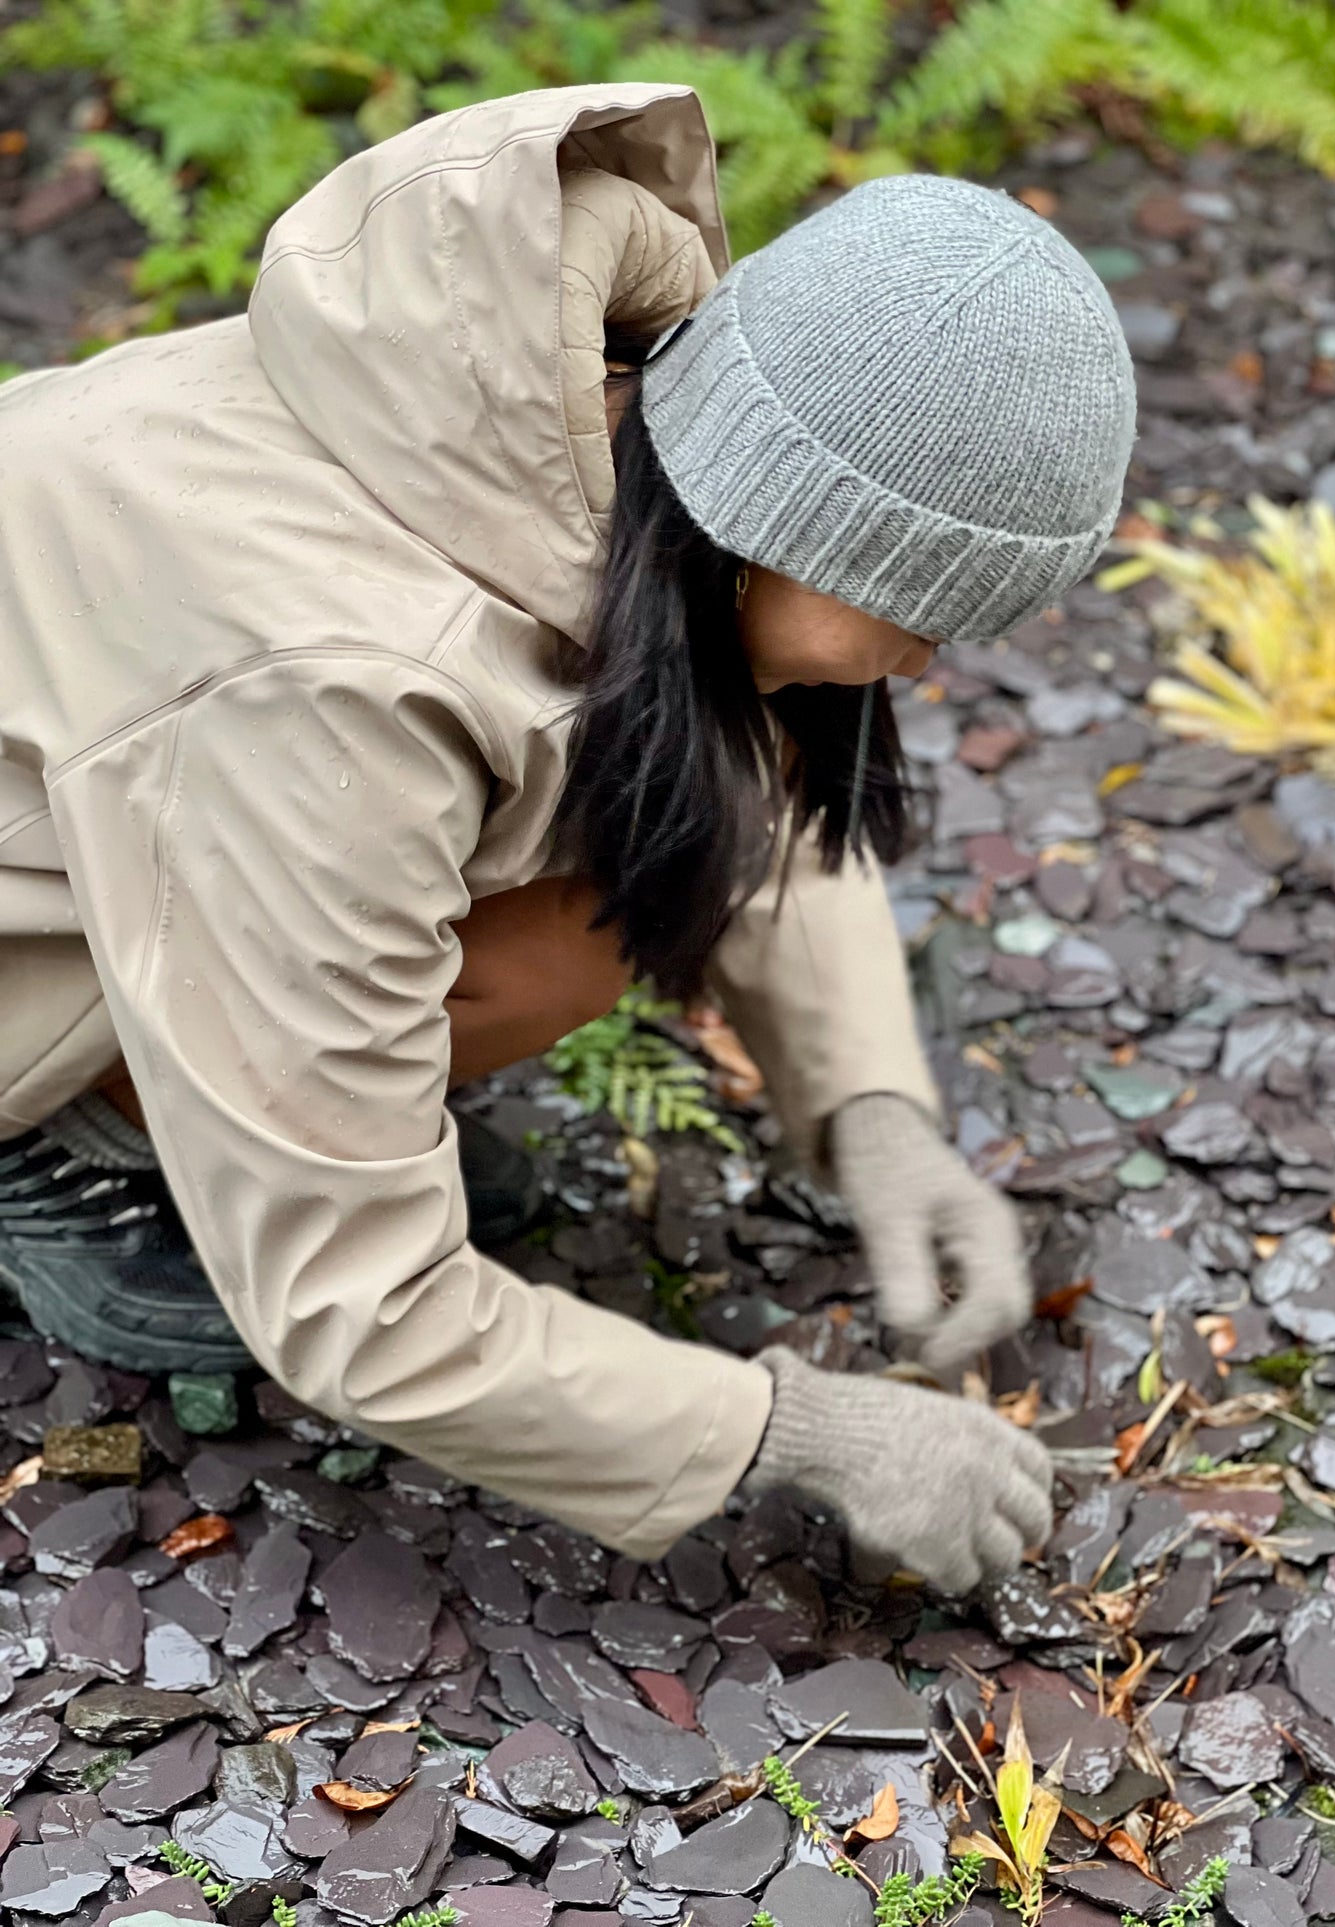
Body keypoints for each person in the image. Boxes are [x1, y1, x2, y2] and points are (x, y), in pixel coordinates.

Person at [0, 82, 1134, 1594]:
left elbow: (725, 770)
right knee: (565, 947)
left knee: (611, 874)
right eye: (918, 611)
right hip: (136, 838)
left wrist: (875, 1111)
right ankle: (79, 1158)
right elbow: (361, 1309)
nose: (926, 666)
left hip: (134, 806)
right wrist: (795, 1431)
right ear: (780, 524)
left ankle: (210, 1104)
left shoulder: (599, 417)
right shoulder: (329, 692)